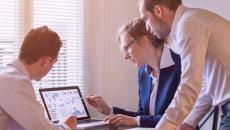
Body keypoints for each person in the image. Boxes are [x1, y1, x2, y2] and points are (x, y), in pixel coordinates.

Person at [138, 0, 230, 130]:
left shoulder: (188, 24)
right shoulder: (192, 20)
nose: (147, 27)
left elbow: (189, 86)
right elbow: (207, 86)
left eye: (146, 19)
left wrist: (163, 127)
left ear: (158, 10)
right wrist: (189, 122)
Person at [86, 17, 182, 128]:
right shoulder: (143, 72)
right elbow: (143, 116)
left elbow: (177, 119)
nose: (125, 56)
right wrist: (108, 110)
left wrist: (137, 121)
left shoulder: (181, 66)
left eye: (126, 48)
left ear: (144, 41)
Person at [0, 26, 77, 130]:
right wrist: (68, 126)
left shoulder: (7, 74)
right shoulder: (17, 83)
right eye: (53, 63)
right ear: (45, 61)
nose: (51, 68)